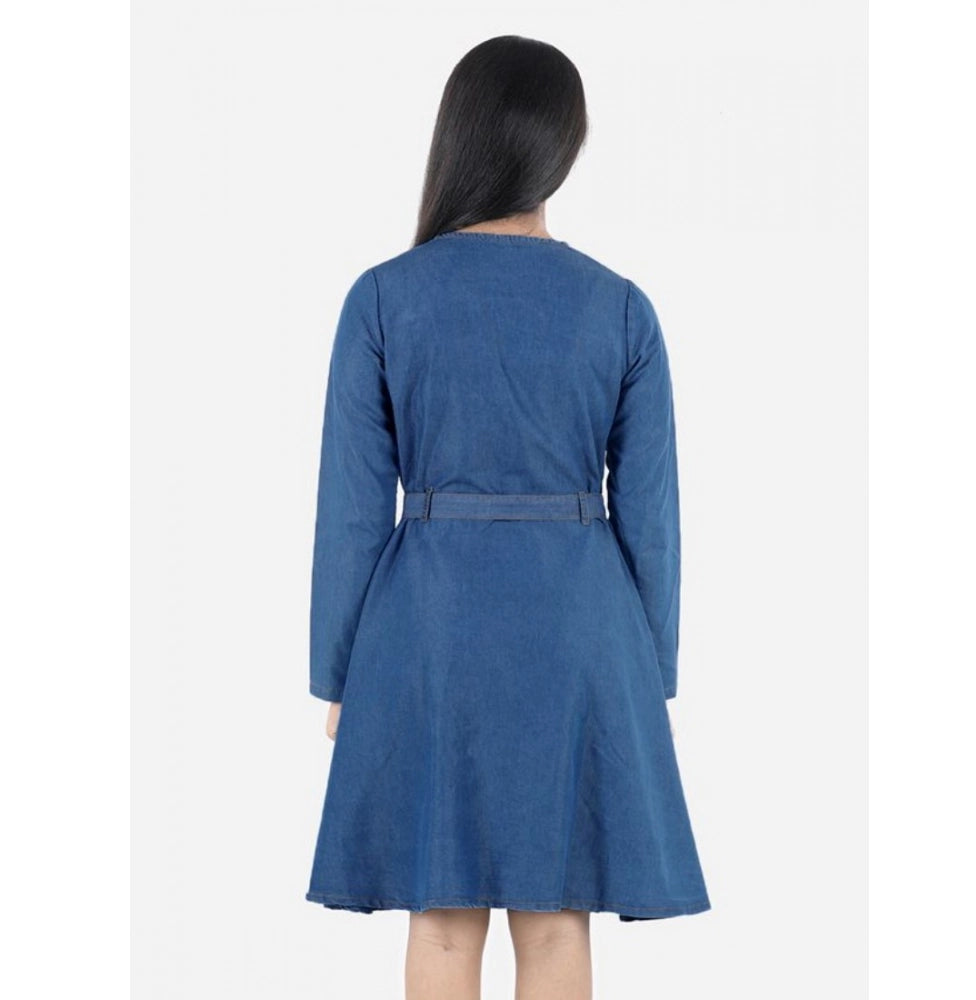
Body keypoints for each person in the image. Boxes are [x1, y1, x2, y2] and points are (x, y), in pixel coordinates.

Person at [304, 34, 711, 1000]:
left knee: (443, 925)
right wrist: (648, 665)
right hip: (579, 632)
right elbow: (650, 515)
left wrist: (340, 670)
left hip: (428, 626)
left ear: (460, 136)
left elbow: (351, 506)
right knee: (558, 923)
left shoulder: (382, 299)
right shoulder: (621, 308)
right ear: (560, 148)